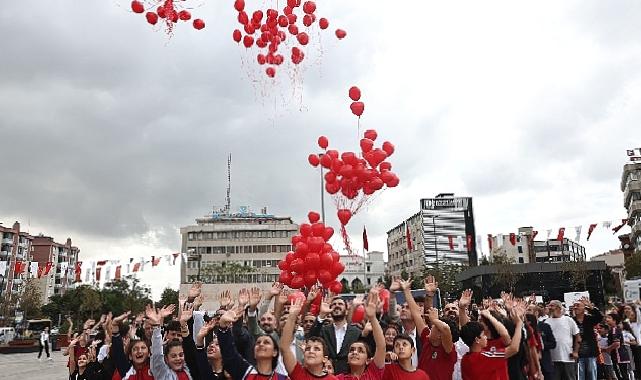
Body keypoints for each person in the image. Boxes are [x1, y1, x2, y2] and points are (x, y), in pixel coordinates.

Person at [400, 277, 456, 380]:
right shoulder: (427, 340)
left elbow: (445, 329)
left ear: (440, 335)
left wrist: (435, 320)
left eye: (434, 327)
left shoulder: (448, 350)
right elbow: (416, 314)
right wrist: (407, 291)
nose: (430, 327)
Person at [217, 307, 285, 380]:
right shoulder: (246, 373)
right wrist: (223, 326)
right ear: (254, 352)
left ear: (275, 352)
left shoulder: (283, 378)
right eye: (258, 343)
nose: (261, 344)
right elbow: (229, 355)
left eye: (266, 342)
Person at [460, 307, 524, 380]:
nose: (485, 337)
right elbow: (513, 349)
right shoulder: (486, 356)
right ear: (477, 340)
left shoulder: (464, 359)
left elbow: (466, 330)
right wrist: (519, 324)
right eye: (483, 335)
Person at [282, 297, 338, 380]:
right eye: (308, 348)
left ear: (324, 359)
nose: (311, 351)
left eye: (316, 349)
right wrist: (292, 316)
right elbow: (284, 347)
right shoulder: (298, 372)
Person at [336, 288, 386, 380]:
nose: (355, 352)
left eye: (360, 351)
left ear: (368, 360)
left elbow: (381, 346)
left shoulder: (374, 373)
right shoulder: (338, 378)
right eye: (351, 350)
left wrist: (372, 317)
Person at [308, 295, 362, 374]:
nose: (337, 306)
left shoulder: (356, 332)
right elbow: (311, 339)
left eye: (340, 304)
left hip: (349, 375)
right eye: (334, 304)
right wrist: (322, 315)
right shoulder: (324, 330)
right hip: (326, 376)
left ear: (347, 311)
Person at [146, 304, 194, 380]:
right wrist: (156, 326)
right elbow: (157, 355)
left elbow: (190, 348)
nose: (178, 358)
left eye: (181, 355)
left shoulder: (187, 370)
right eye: (173, 356)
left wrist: (184, 322)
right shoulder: (163, 374)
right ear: (166, 359)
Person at [545, 300, 580, 380]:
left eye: (551, 306)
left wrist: (576, 351)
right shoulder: (546, 322)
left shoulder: (568, 320)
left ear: (558, 307)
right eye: (549, 306)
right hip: (552, 359)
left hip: (568, 358)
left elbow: (578, 336)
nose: (549, 308)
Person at [573, 297, 603, 380]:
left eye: (578, 305)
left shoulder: (589, 318)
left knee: (592, 374)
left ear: (584, 308)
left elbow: (600, 317)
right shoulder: (571, 320)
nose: (575, 307)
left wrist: (591, 307)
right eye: (574, 306)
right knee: (580, 375)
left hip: (590, 352)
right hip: (578, 353)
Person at [605, 313, 631, 380]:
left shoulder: (614, 330)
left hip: (618, 356)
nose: (606, 319)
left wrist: (607, 349)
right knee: (623, 375)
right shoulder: (613, 330)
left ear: (614, 321)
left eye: (609, 318)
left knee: (621, 376)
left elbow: (616, 344)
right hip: (620, 356)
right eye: (606, 317)